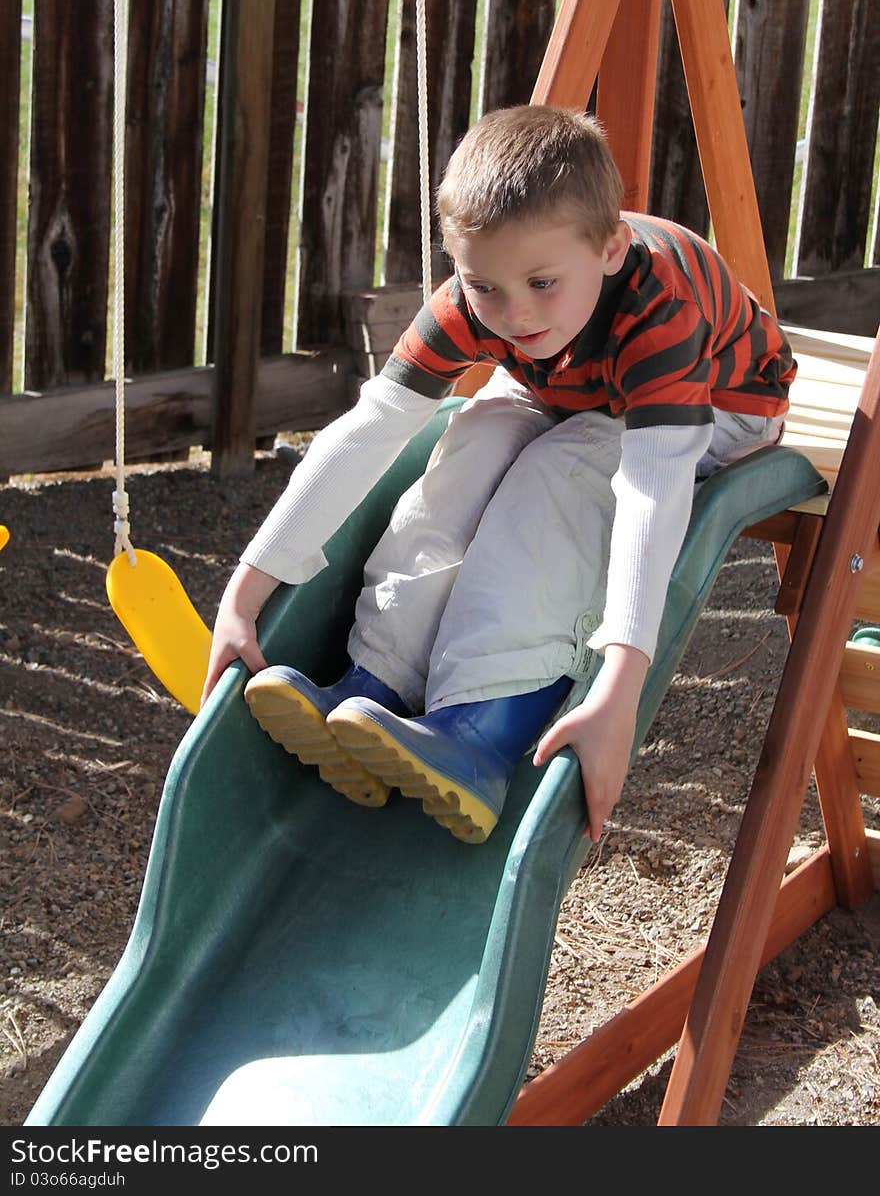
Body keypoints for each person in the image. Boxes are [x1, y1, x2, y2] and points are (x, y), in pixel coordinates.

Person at [201, 105, 795, 845]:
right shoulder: (491, 291)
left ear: (611, 250)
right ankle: (376, 681)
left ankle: (482, 725)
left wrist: (617, 690)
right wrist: (245, 593)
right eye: (486, 288)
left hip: (719, 404)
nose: (513, 313)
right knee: (473, 439)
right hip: (567, 377)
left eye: (541, 282)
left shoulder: (657, 310)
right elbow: (369, 427)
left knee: (565, 469)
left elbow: (651, 489)